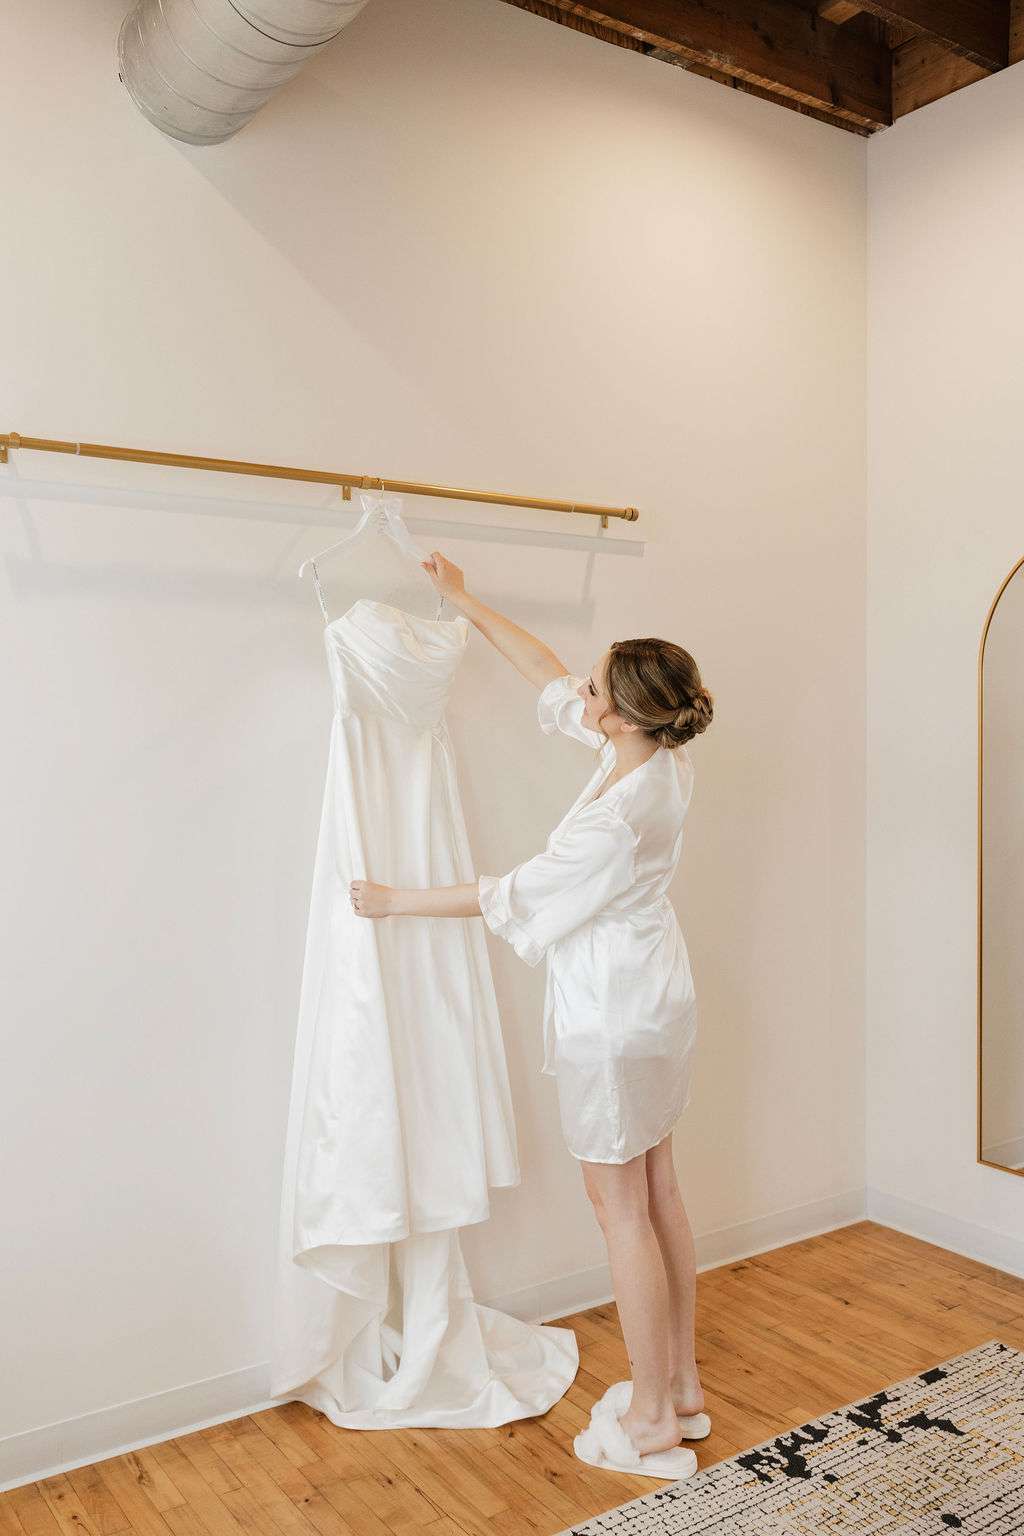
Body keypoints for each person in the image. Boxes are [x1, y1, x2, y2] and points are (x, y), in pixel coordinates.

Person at [349, 551, 714, 1462]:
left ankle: (654, 1419)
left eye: (594, 690)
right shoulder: (653, 757)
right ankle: (681, 1385)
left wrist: (396, 901)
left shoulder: (616, 816)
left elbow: (510, 893)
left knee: (618, 1204)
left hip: (614, 1017)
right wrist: (462, 599)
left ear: (623, 714)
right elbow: (546, 673)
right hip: (654, 1000)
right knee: (657, 1187)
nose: (577, 693)